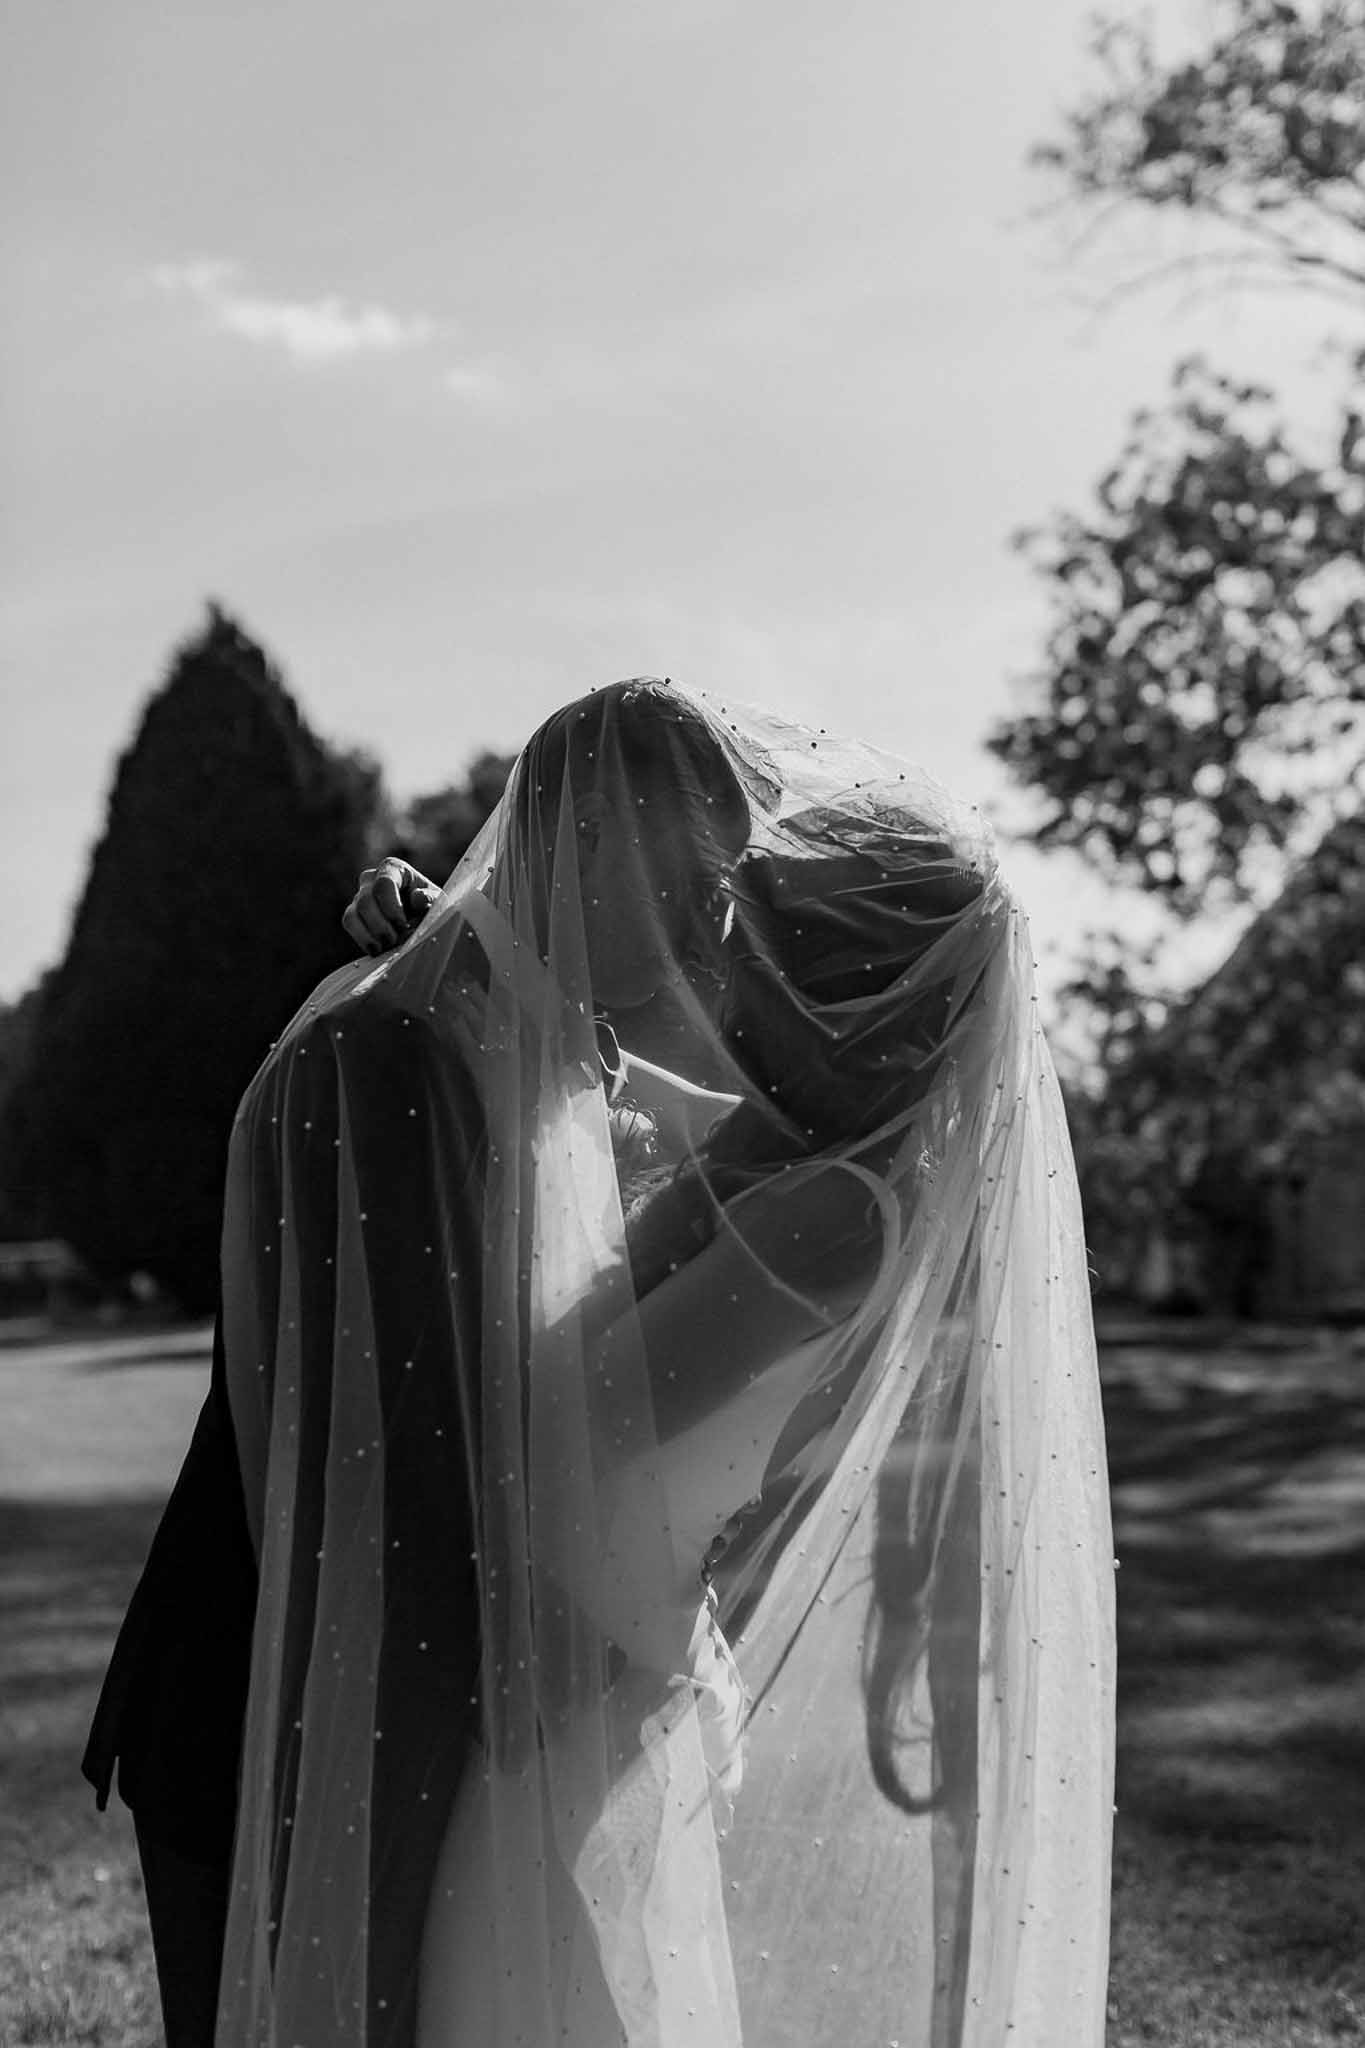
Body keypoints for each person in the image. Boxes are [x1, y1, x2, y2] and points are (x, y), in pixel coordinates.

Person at [89, 678, 1116, 2047]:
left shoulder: (756, 1172)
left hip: (503, 1699)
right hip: (325, 1695)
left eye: (740, 919)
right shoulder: (403, 1055)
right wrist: (461, 950)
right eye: (700, 894)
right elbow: (403, 1455)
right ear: (586, 848)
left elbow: (531, 1416)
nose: (712, 946)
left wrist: (479, 971)